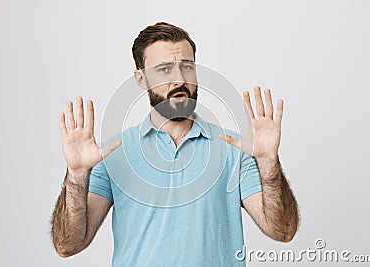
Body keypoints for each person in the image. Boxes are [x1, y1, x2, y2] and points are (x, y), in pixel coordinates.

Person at [51, 22, 299, 266]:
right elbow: (67, 246)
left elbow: (283, 231)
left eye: (187, 67)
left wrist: (268, 163)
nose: (179, 79)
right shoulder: (114, 153)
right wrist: (77, 174)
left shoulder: (234, 149)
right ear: (140, 78)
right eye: (164, 69)